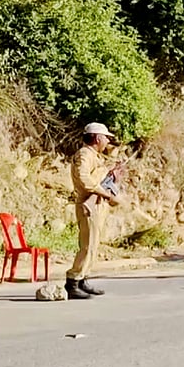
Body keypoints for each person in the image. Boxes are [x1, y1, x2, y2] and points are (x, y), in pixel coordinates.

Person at [66, 123, 123, 300]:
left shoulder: (93, 156)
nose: (107, 141)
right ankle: (73, 281)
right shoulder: (85, 154)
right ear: (98, 138)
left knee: (93, 244)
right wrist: (104, 192)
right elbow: (84, 179)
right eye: (106, 138)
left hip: (97, 205)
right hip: (88, 205)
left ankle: (83, 278)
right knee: (87, 245)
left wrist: (113, 179)